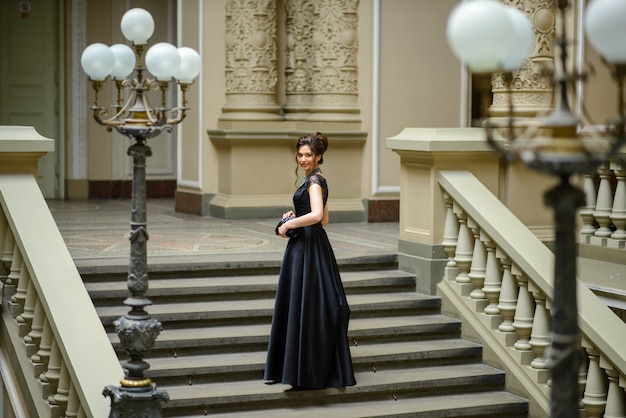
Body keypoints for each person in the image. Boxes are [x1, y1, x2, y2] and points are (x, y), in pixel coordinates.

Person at [264, 132, 356, 390]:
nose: (303, 159)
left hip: (308, 247)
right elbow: (324, 219)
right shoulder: (318, 180)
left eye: (308, 155)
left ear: (319, 157)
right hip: (312, 244)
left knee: (308, 303)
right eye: (300, 155)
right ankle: (304, 369)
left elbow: (317, 215)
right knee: (309, 303)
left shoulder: (314, 181)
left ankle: (304, 370)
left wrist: (289, 224)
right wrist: (296, 215)